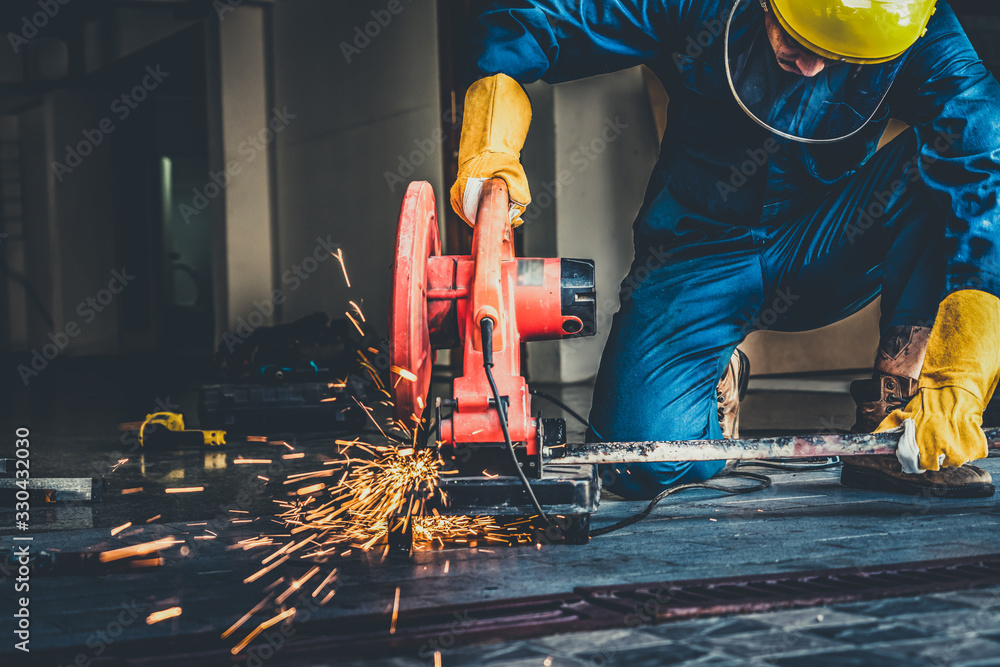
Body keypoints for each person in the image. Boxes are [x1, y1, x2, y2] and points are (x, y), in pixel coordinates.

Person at [451, 0, 999, 500]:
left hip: (830, 242)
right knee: (642, 462)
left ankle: (896, 409)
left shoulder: (911, 25)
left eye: (837, 58)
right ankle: (712, 380)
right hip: (698, 253)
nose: (810, 67)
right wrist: (489, 145)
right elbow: (528, 23)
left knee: (957, 163)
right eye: (800, 40)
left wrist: (961, 385)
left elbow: (986, 160)